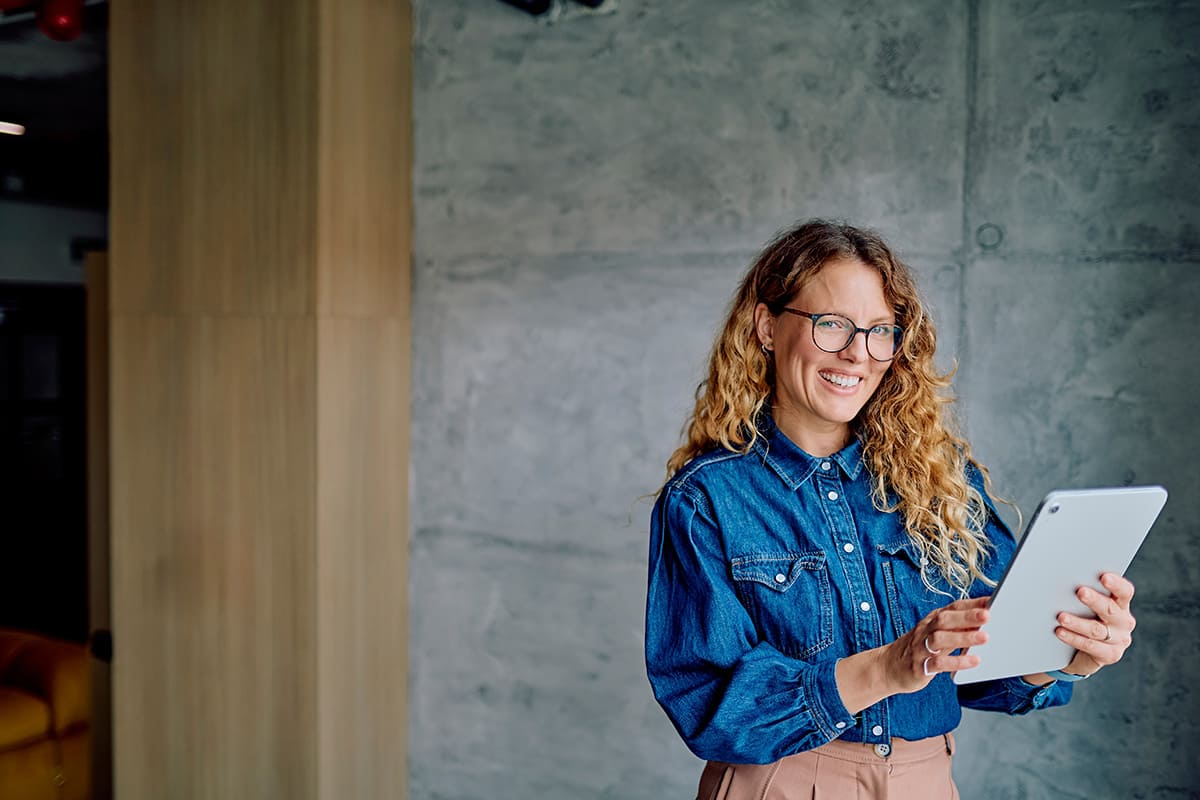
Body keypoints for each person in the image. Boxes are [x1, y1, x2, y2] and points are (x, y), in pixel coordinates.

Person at [645, 220, 1137, 799]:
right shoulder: (706, 499)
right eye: (832, 325)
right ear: (766, 327)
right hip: (778, 782)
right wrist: (886, 667)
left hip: (924, 782)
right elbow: (709, 707)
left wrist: (1065, 653)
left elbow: (985, 670)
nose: (858, 353)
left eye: (881, 331)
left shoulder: (943, 479)